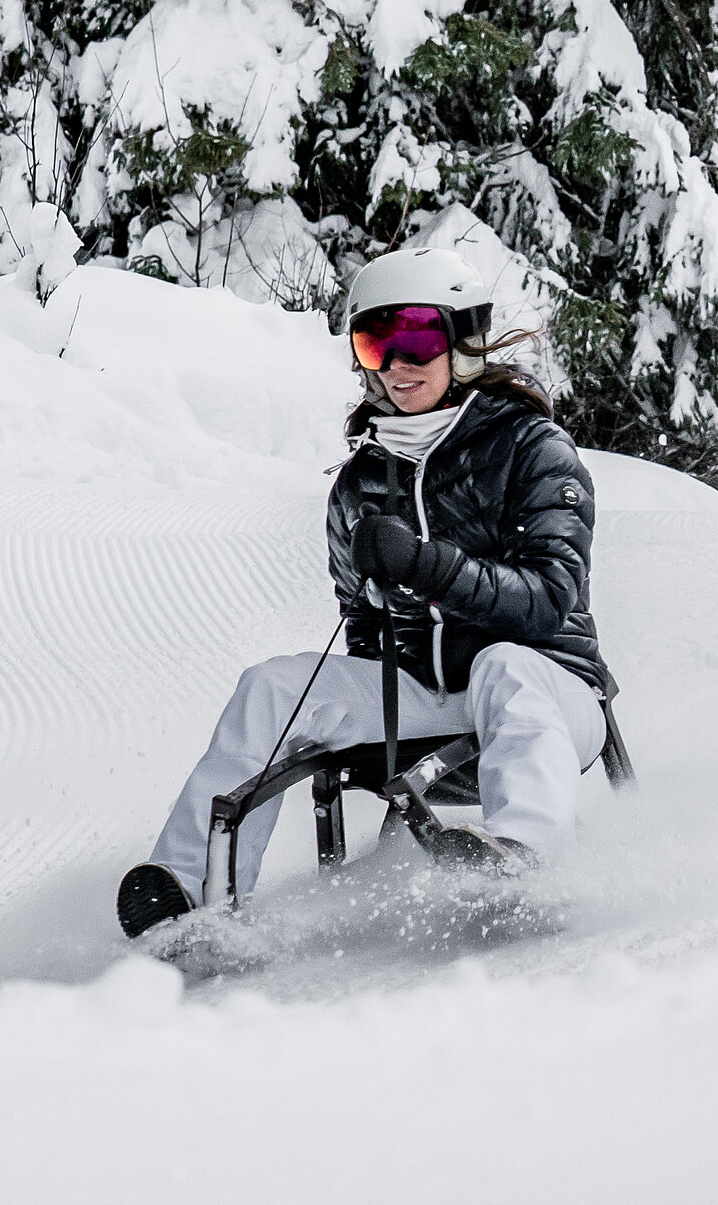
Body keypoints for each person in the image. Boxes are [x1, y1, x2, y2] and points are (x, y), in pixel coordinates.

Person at [116, 246, 615, 938]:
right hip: (426, 695)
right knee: (272, 687)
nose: (399, 363)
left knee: (505, 667)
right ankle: (194, 896)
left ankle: (526, 862)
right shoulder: (360, 486)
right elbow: (362, 632)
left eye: (416, 336)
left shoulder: (532, 449)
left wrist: (425, 564)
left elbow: (548, 597)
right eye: (376, 343)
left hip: (554, 691)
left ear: (464, 339)